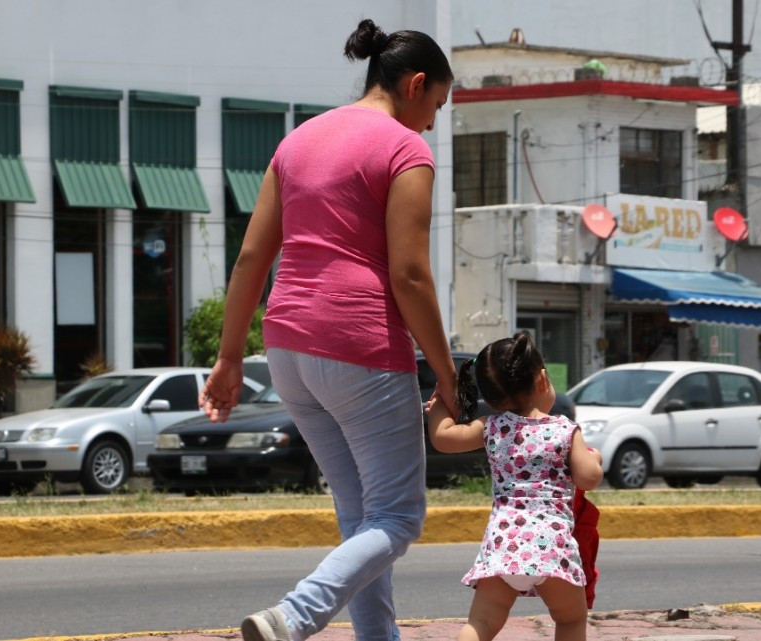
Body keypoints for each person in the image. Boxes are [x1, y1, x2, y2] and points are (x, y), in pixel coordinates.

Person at [198, 19, 456, 641]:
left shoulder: (299, 141)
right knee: (397, 517)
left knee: (363, 518)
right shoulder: (403, 149)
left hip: (286, 348)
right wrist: (449, 377)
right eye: (437, 106)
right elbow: (412, 276)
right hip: (360, 347)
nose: (431, 124)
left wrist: (230, 359)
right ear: (415, 85)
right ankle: (295, 616)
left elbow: (250, 260)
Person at [426, 333, 604, 641]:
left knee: (480, 624)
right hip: (552, 549)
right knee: (571, 621)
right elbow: (589, 477)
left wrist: (441, 402)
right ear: (542, 380)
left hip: (504, 548)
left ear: (492, 397)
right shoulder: (563, 429)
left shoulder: (492, 427)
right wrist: (594, 458)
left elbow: (443, 437)